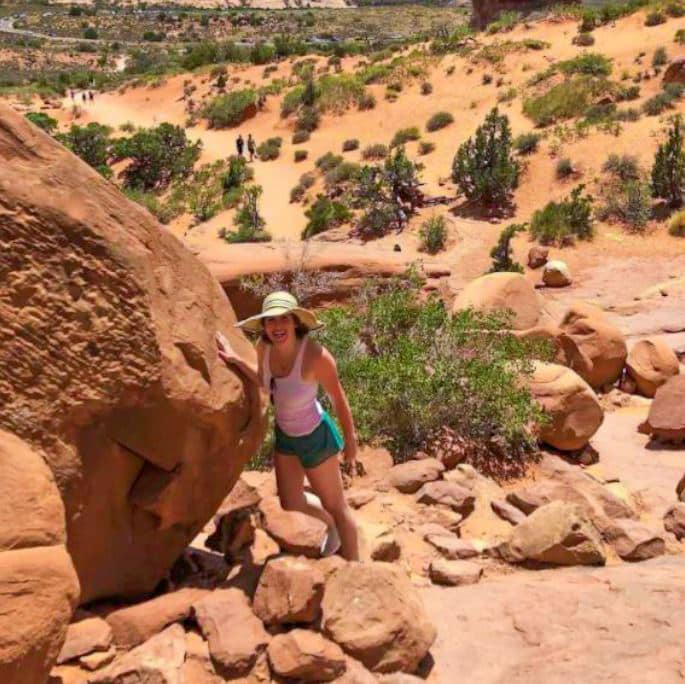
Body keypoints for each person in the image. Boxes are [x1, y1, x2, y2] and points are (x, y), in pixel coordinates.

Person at [216, 292, 360, 560]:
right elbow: (263, 380)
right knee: (290, 502)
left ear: (295, 322)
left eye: (284, 319)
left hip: (316, 436)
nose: (277, 326)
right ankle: (330, 525)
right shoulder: (265, 348)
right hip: (287, 437)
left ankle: (355, 568)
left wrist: (351, 443)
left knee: (338, 506)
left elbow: (339, 400)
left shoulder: (316, 356)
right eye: (271, 320)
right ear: (264, 325)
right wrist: (235, 359)